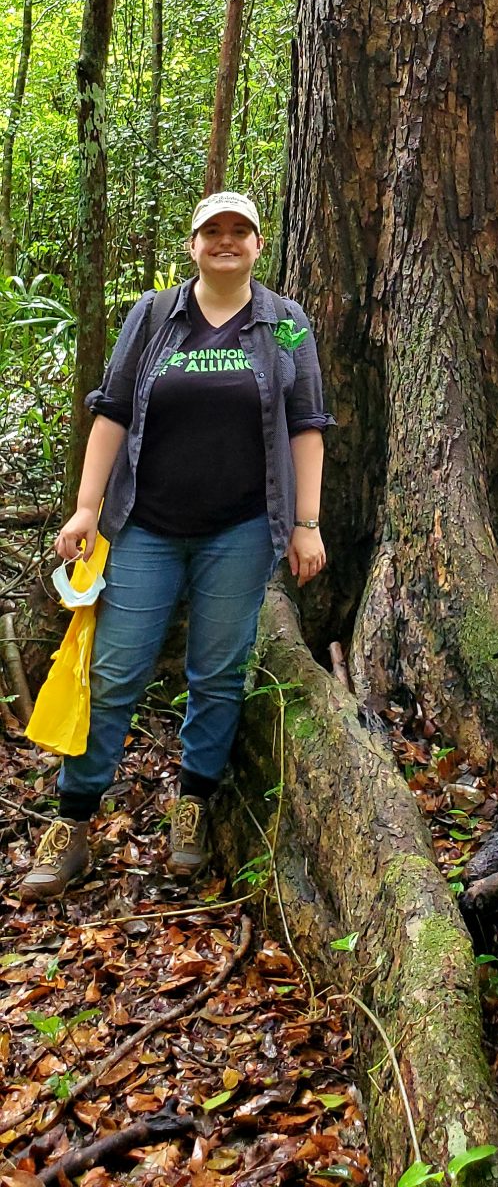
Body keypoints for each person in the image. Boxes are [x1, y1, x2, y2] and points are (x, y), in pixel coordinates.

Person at [20, 191, 333, 901]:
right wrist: (84, 509)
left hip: (244, 529)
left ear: (258, 245)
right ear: (192, 245)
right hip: (145, 527)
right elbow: (113, 412)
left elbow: (306, 423)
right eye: (211, 232)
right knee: (115, 671)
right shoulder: (154, 317)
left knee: (218, 673)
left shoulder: (285, 325)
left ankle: (192, 808)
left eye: (239, 232)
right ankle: (72, 823)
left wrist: (307, 523)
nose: (226, 242)